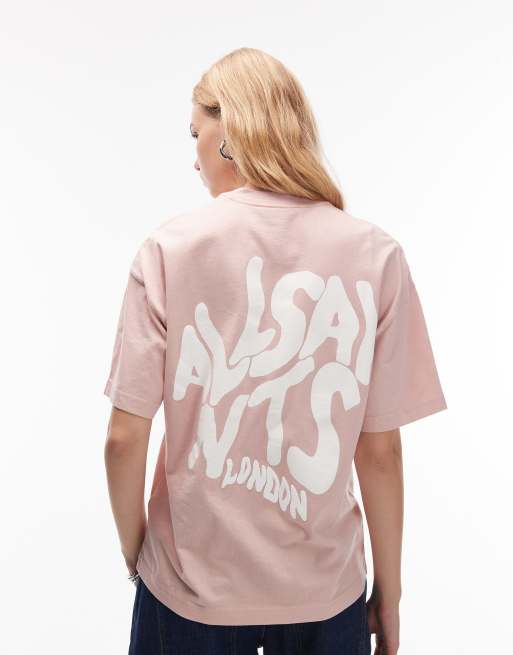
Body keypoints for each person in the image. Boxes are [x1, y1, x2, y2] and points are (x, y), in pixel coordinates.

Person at [103, 47, 448, 655]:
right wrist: (389, 594)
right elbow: (381, 450)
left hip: (188, 591)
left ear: (230, 131)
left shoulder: (169, 250)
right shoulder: (376, 256)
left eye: (196, 133)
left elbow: (124, 438)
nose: (194, 157)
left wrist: (136, 553)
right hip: (327, 595)